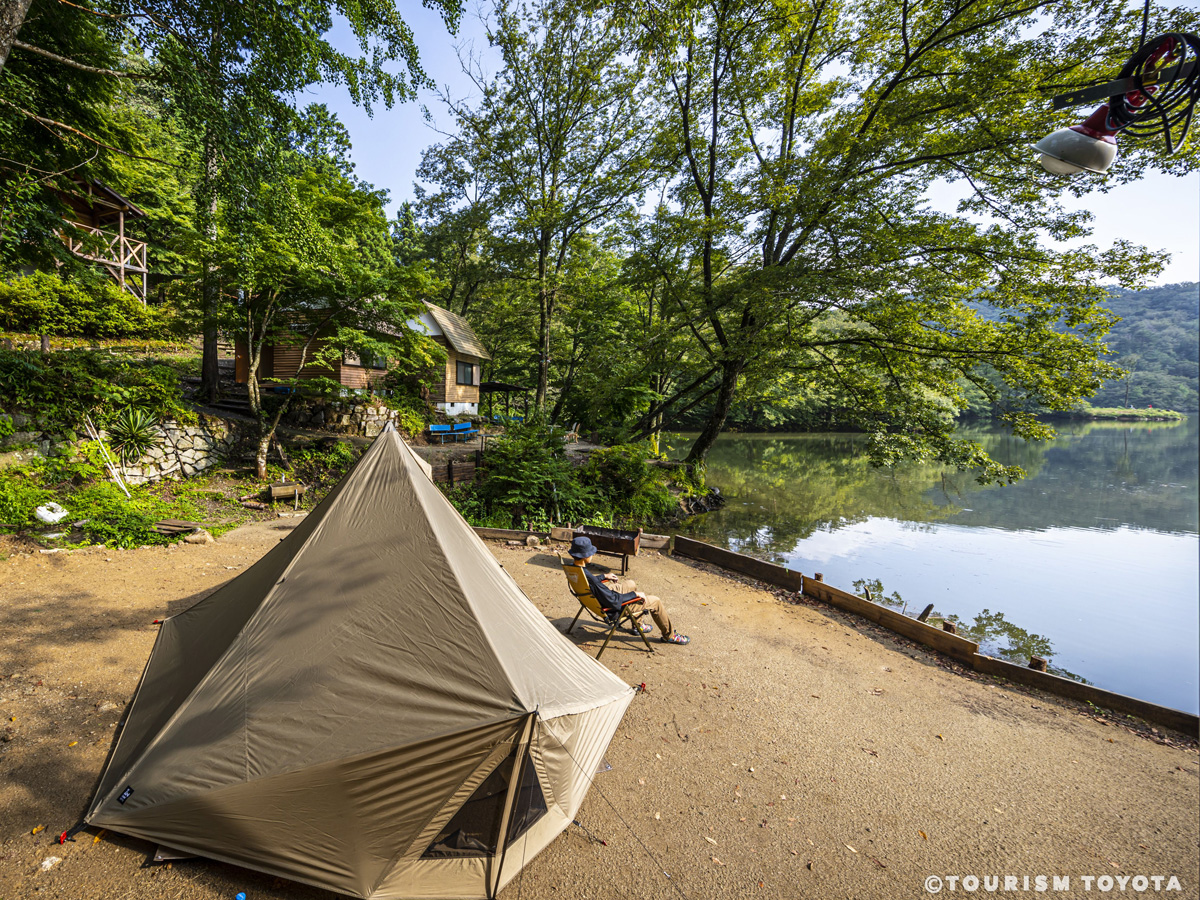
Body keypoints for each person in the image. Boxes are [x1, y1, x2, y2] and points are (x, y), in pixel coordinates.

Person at [567, 536, 690, 645]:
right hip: (611, 608)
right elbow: (614, 601)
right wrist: (634, 594)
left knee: (630, 583)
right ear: (584, 556)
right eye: (591, 553)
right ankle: (669, 635)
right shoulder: (591, 580)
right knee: (655, 601)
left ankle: (638, 626)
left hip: (599, 598)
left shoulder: (576, 570)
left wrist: (604, 576)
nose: (593, 555)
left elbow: (592, 582)